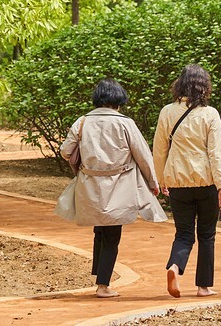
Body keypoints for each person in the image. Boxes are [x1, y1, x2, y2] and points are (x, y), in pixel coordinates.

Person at [60, 78, 167, 298]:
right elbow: (143, 156)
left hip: (90, 184)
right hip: (119, 185)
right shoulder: (125, 123)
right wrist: (152, 182)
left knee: (100, 227)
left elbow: (65, 151)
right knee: (112, 232)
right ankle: (103, 286)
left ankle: (99, 274)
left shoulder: (82, 122)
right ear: (118, 99)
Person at [152, 64, 221, 298]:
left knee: (183, 233)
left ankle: (174, 267)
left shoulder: (167, 111)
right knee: (207, 235)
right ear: (204, 86)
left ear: (180, 84)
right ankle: (203, 287)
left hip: (177, 182)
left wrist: (161, 178)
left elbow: (159, 149)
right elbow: (217, 152)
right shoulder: (209, 114)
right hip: (205, 182)